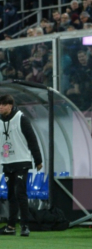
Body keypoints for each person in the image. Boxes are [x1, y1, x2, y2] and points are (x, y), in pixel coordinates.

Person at [0, 94, 43, 237]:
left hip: (21, 162)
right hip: (7, 162)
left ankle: (25, 226)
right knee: (11, 195)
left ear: (10, 106)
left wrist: (38, 160)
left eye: (3, 104)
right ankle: (11, 226)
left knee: (20, 193)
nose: (0, 107)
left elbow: (32, 140)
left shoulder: (21, 118)